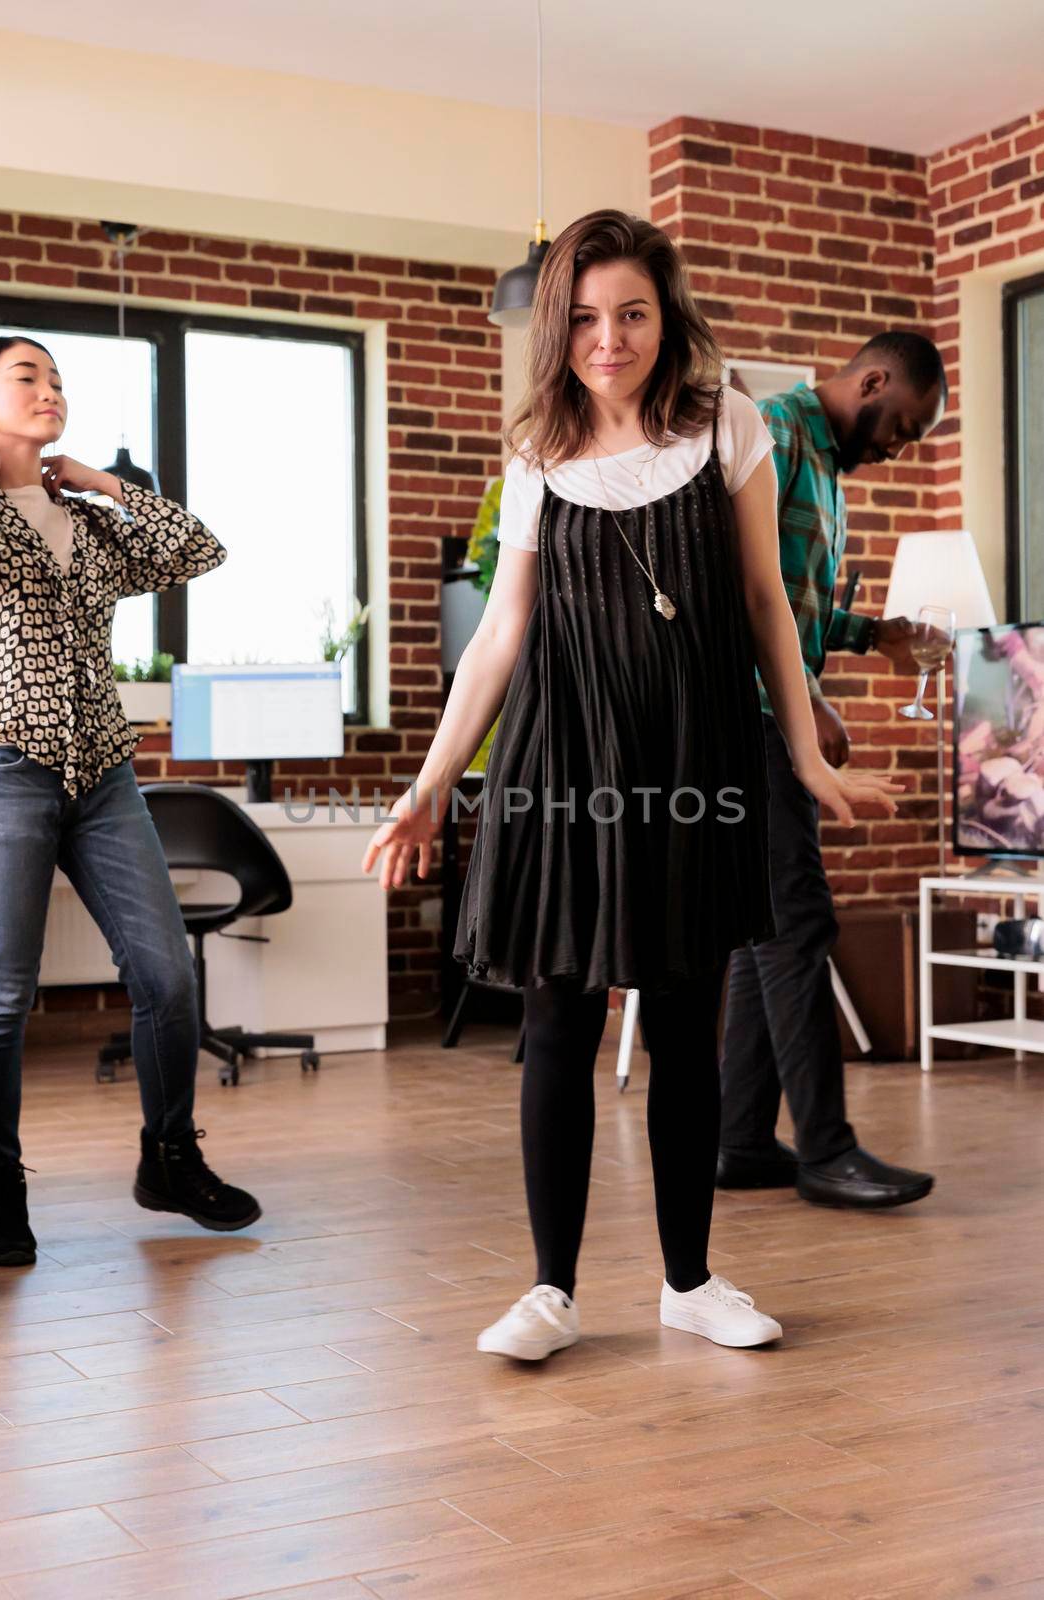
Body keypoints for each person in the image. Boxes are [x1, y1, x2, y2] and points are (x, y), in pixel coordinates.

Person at [363, 211, 900, 1362]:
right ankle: (549, 1290)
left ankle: (688, 1280)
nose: (609, 339)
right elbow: (500, 633)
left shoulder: (730, 428)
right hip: (561, 764)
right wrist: (429, 782)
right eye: (588, 318)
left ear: (667, 316)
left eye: (633, 315)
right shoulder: (537, 451)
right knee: (558, 1010)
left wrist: (801, 754)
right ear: (558, 328)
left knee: (681, 1018)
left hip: (697, 755)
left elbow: (766, 602)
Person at [0, 334, 260, 1268]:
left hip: (101, 774)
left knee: (166, 976)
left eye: (58, 380)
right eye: (27, 377)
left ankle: (170, 1159)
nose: (50, 390)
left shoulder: (87, 525)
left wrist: (101, 482)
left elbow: (199, 547)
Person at [717, 332, 947, 1208]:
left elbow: (794, 600)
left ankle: (741, 1143)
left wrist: (870, 634)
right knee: (800, 924)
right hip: (751, 723)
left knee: (763, 935)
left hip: (772, 719)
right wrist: (801, 700)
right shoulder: (770, 433)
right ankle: (826, 1151)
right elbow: (734, 587)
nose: (902, 447)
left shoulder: (823, 466)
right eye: (905, 427)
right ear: (874, 380)